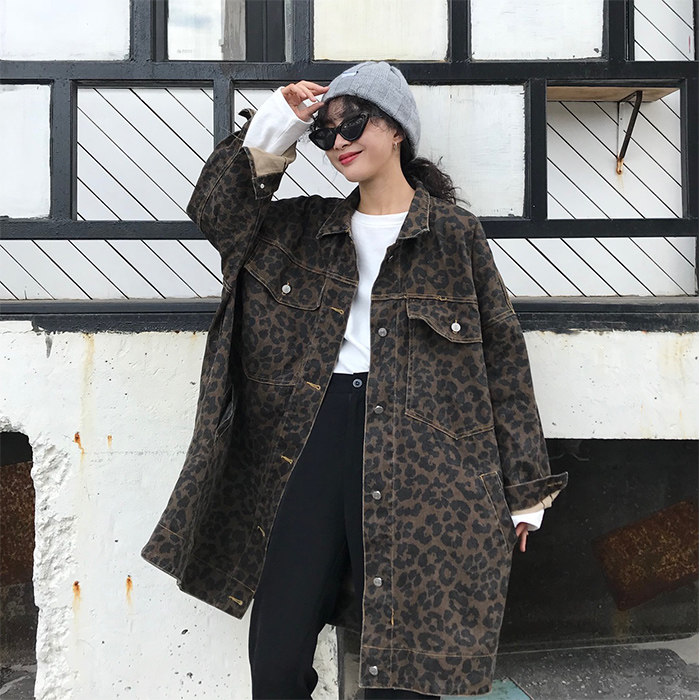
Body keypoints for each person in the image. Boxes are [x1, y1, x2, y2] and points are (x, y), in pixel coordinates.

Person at [141, 61, 568, 699]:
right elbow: (217, 214)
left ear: (396, 129)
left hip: (424, 457)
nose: (338, 141)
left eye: (354, 124)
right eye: (327, 132)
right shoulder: (300, 229)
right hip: (310, 437)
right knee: (277, 661)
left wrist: (525, 489)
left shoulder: (454, 235)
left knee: (402, 668)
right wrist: (280, 122)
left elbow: (503, 359)